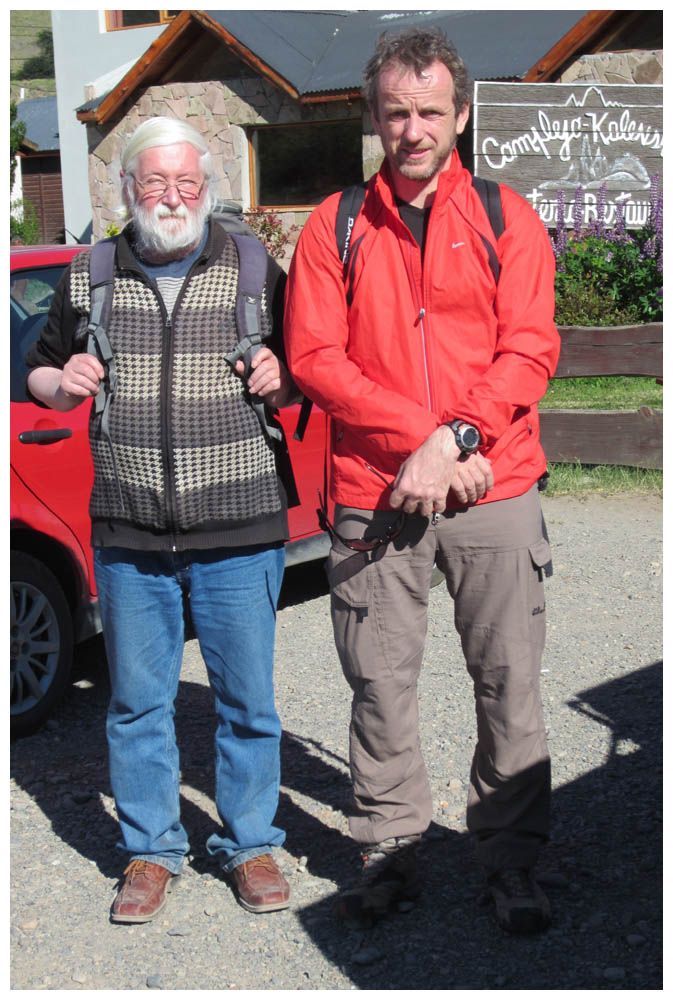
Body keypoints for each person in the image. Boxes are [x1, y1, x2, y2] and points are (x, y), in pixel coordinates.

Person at [284, 28, 560, 935]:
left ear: (461, 114)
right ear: (373, 117)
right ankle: (389, 847)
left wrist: (456, 438)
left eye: (429, 111)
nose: (412, 129)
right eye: (396, 112)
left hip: (496, 481)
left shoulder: (507, 217)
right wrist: (424, 441)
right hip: (375, 488)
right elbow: (316, 359)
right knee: (379, 682)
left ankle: (511, 861)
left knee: (507, 679)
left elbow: (528, 348)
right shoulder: (333, 226)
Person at [26, 117, 299, 923]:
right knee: (136, 703)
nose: (172, 197)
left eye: (187, 182)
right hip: (129, 527)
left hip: (240, 524)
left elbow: (307, 376)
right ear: (128, 191)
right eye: (155, 183)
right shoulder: (91, 272)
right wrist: (57, 383)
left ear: (207, 188)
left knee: (246, 700)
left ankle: (250, 844)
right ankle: (151, 850)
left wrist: (282, 376)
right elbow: (40, 365)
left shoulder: (254, 265)